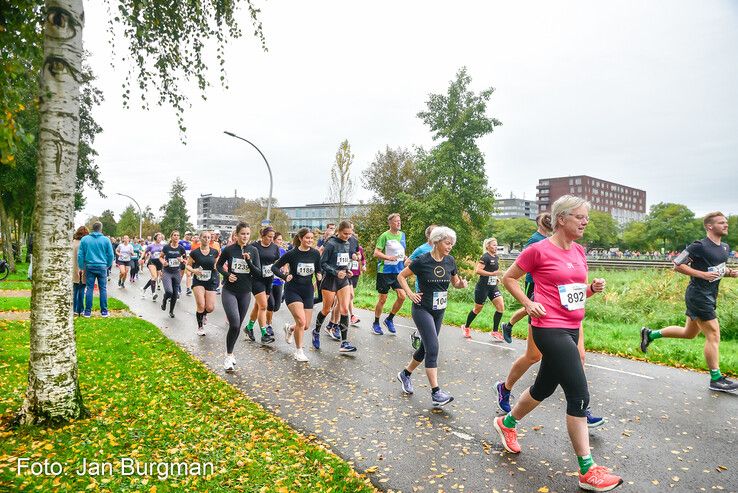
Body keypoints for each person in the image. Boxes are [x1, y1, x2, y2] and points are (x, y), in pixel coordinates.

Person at [495, 195, 622, 492]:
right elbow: (509, 278)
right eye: (580, 216)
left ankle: (508, 423)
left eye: (586, 217)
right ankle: (587, 470)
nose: (585, 221)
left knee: (543, 388)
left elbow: (573, 292)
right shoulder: (537, 250)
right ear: (561, 219)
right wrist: (528, 303)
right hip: (548, 328)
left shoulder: (579, 250)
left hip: (571, 327)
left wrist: (590, 289)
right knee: (578, 393)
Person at [640, 212, 738, 392]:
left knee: (689, 333)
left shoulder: (724, 247)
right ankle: (716, 379)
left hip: (710, 294)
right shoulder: (699, 246)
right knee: (714, 334)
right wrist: (702, 275)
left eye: (726, 222)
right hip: (698, 295)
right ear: (710, 226)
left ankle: (650, 334)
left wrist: (730, 273)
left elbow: (716, 268)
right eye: (721, 223)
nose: (726, 225)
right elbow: (677, 265)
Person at [396, 226, 468, 407]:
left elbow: (456, 283)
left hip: (439, 310)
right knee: (433, 347)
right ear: (437, 241)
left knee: (425, 347)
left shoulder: (450, 261)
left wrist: (462, 285)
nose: (450, 246)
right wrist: (410, 294)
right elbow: (401, 276)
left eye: (452, 243)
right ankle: (436, 393)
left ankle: (405, 374)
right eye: (447, 242)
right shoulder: (422, 260)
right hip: (422, 309)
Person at [500, 213, 553, 342]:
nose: (548, 221)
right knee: (531, 308)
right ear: (539, 223)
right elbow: (524, 261)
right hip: (533, 281)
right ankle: (512, 327)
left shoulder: (550, 239)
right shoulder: (535, 239)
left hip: (544, 281)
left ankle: (508, 325)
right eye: (545, 219)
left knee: (536, 308)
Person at [271, 228, 322, 362]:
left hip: (308, 290)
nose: (310, 240)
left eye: (311, 238)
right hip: (292, 289)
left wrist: (319, 276)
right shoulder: (292, 254)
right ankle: (299, 351)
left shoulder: (315, 254)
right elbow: (274, 267)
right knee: (301, 321)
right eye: (307, 238)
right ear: (300, 238)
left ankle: (289, 328)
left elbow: (318, 269)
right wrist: (284, 276)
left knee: (305, 325)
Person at [217, 222, 261, 371]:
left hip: (245, 292)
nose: (245, 237)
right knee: (234, 324)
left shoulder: (253, 250)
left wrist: (248, 260)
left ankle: (231, 352)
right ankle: (228, 356)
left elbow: (258, 273)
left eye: (248, 234)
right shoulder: (229, 250)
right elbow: (218, 265)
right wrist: (227, 275)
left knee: (238, 326)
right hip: (229, 291)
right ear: (236, 235)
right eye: (242, 234)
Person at [312, 220, 357, 353]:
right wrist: (336, 272)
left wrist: (347, 270)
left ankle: (344, 343)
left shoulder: (348, 243)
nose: (347, 236)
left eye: (349, 234)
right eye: (345, 233)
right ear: (339, 231)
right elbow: (323, 263)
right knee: (326, 309)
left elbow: (344, 261)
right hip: (330, 280)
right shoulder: (331, 244)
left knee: (344, 309)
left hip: (342, 281)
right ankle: (316, 332)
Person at [462, 237, 505, 340]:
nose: (496, 246)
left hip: (493, 286)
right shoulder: (485, 257)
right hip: (482, 287)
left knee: (501, 307)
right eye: (494, 245)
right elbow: (478, 270)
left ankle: (494, 331)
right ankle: (466, 326)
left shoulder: (496, 257)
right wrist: (492, 274)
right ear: (488, 246)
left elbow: (493, 271)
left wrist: (496, 278)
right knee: (478, 309)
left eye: (496, 245)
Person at [243, 227, 280, 343]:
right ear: (263, 235)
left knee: (258, 306)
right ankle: (264, 334)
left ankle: (249, 328)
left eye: (273, 237)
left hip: (269, 279)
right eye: (269, 236)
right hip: (256, 279)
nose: (271, 239)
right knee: (264, 306)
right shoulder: (254, 246)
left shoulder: (275, 247)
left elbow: (276, 261)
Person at [372, 213, 407, 335]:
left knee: (402, 296)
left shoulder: (403, 235)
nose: (399, 223)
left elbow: (400, 251)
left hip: (398, 271)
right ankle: (376, 323)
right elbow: (376, 253)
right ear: (390, 223)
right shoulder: (384, 236)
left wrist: (404, 257)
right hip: (385, 271)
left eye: (399, 221)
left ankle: (389, 319)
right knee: (382, 299)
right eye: (396, 221)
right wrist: (388, 257)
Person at [77, 221, 114, 317]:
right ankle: (104, 311)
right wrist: (107, 265)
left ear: (93, 228)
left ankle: (87, 311)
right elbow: (111, 255)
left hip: (89, 266)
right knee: (103, 289)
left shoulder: (85, 239)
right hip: (102, 266)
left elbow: (80, 254)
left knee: (89, 288)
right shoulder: (106, 240)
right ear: (101, 229)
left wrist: (81, 267)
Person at [187, 231, 219, 336]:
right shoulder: (194, 253)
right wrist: (194, 271)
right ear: (200, 238)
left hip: (211, 280)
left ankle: (204, 314)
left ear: (211, 239)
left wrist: (218, 268)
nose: (206, 239)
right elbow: (188, 265)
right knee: (201, 304)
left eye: (208, 237)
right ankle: (200, 327)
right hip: (198, 280)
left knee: (210, 307)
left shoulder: (214, 252)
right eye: (204, 237)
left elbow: (217, 265)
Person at [160, 231, 187, 318]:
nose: (176, 237)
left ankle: (171, 311)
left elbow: (186, 260)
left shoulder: (181, 248)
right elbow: (160, 257)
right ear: (171, 237)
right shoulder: (166, 247)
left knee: (175, 293)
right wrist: (163, 262)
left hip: (176, 272)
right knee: (169, 291)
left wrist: (182, 261)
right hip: (167, 272)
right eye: (174, 235)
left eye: (178, 235)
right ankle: (164, 300)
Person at [266, 232, 287, 330]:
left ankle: (265, 314)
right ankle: (268, 325)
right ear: (273, 240)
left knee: (276, 307)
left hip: (278, 281)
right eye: (279, 239)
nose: (280, 241)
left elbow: (286, 264)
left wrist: (285, 269)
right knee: (271, 304)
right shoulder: (268, 251)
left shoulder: (283, 251)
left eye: (281, 239)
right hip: (268, 281)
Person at [348, 231, 366, 326]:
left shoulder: (359, 249)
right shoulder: (346, 247)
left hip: (355, 273)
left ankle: (347, 315)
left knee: (350, 296)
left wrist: (363, 265)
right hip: (347, 273)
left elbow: (362, 258)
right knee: (350, 295)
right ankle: (351, 316)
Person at [142, 232, 165, 301]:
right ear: (155, 237)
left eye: (161, 237)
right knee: (154, 277)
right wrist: (142, 258)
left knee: (154, 278)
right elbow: (145, 252)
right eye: (159, 237)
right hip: (152, 261)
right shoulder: (151, 245)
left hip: (159, 263)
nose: (160, 238)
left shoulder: (163, 246)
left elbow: (164, 254)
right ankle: (153, 294)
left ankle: (144, 288)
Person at [72, 226, 89, 316]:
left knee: (74, 290)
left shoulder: (73, 243)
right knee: (82, 289)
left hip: (73, 269)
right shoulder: (83, 244)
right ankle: (80, 309)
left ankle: (74, 308)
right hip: (82, 269)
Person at [179, 231, 194, 295]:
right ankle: (177, 287)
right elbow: (178, 250)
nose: (189, 236)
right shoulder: (181, 242)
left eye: (190, 235)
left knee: (188, 274)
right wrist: (181, 258)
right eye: (187, 234)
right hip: (182, 260)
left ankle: (188, 289)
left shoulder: (191, 243)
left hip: (188, 260)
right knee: (180, 275)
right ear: (185, 235)